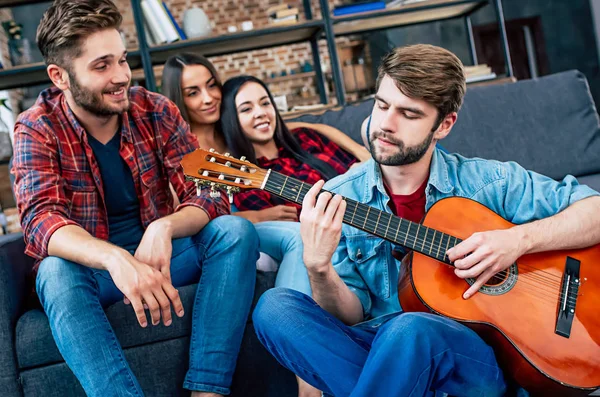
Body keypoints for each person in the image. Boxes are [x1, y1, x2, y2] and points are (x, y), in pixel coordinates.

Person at [251, 44, 600, 396]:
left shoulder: (490, 183)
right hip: (380, 347)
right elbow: (350, 318)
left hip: (477, 359)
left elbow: (595, 211)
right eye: (381, 105)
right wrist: (318, 266)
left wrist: (516, 241)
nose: (385, 124)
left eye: (409, 113)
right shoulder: (341, 197)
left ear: (444, 125)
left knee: (412, 329)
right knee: (274, 309)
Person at [11, 1, 258, 396]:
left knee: (234, 232)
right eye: (101, 66)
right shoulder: (36, 128)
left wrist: (165, 226)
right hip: (95, 273)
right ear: (59, 76)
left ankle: (208, 390)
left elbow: (210, 192)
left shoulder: (155, 109)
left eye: (122, 60)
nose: (121, 76)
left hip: (161, 259)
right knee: (54, 273)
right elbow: (41, 222)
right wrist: (114, 257)